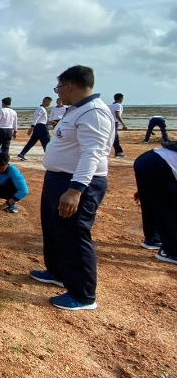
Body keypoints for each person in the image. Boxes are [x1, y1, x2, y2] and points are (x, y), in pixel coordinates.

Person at [30, 65, 115, 311]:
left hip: (76, 182)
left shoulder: (94, 113)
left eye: (58, 87)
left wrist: (76, 189)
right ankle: (57, 272)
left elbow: (92, 153)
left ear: (69, 86)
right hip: (58, 179)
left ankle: (83, 295)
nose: (58, 93)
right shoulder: (76, 111)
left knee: (74, 235)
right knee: (54, 229)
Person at [133, 142, 177, 263]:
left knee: (152, 202)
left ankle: (153, 238)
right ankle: (170, 251)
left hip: (147, 159)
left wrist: (145, 189)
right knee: (169, 207)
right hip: (159, 165)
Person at [17, 96, 52, 161]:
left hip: (39, 126)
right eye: (49, 102)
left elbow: (41, 119)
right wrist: (32, 127)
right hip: (41, 127)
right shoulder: (41, 109)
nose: (50, 104)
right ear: (46, 101)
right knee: (46, 141)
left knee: (32, 142)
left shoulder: (43, 109)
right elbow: (36, 118)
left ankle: (21, 154)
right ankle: (49, 156)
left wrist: (49, 122)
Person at [108, 93, 127, 158]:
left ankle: (118, 151)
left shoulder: (110, 106)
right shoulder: (118, 106)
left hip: (109, 122)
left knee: (112, 137)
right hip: (114, 123)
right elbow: (117, 115)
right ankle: (118, 152)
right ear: (120, 99)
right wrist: (123, 124)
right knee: (115, 137)